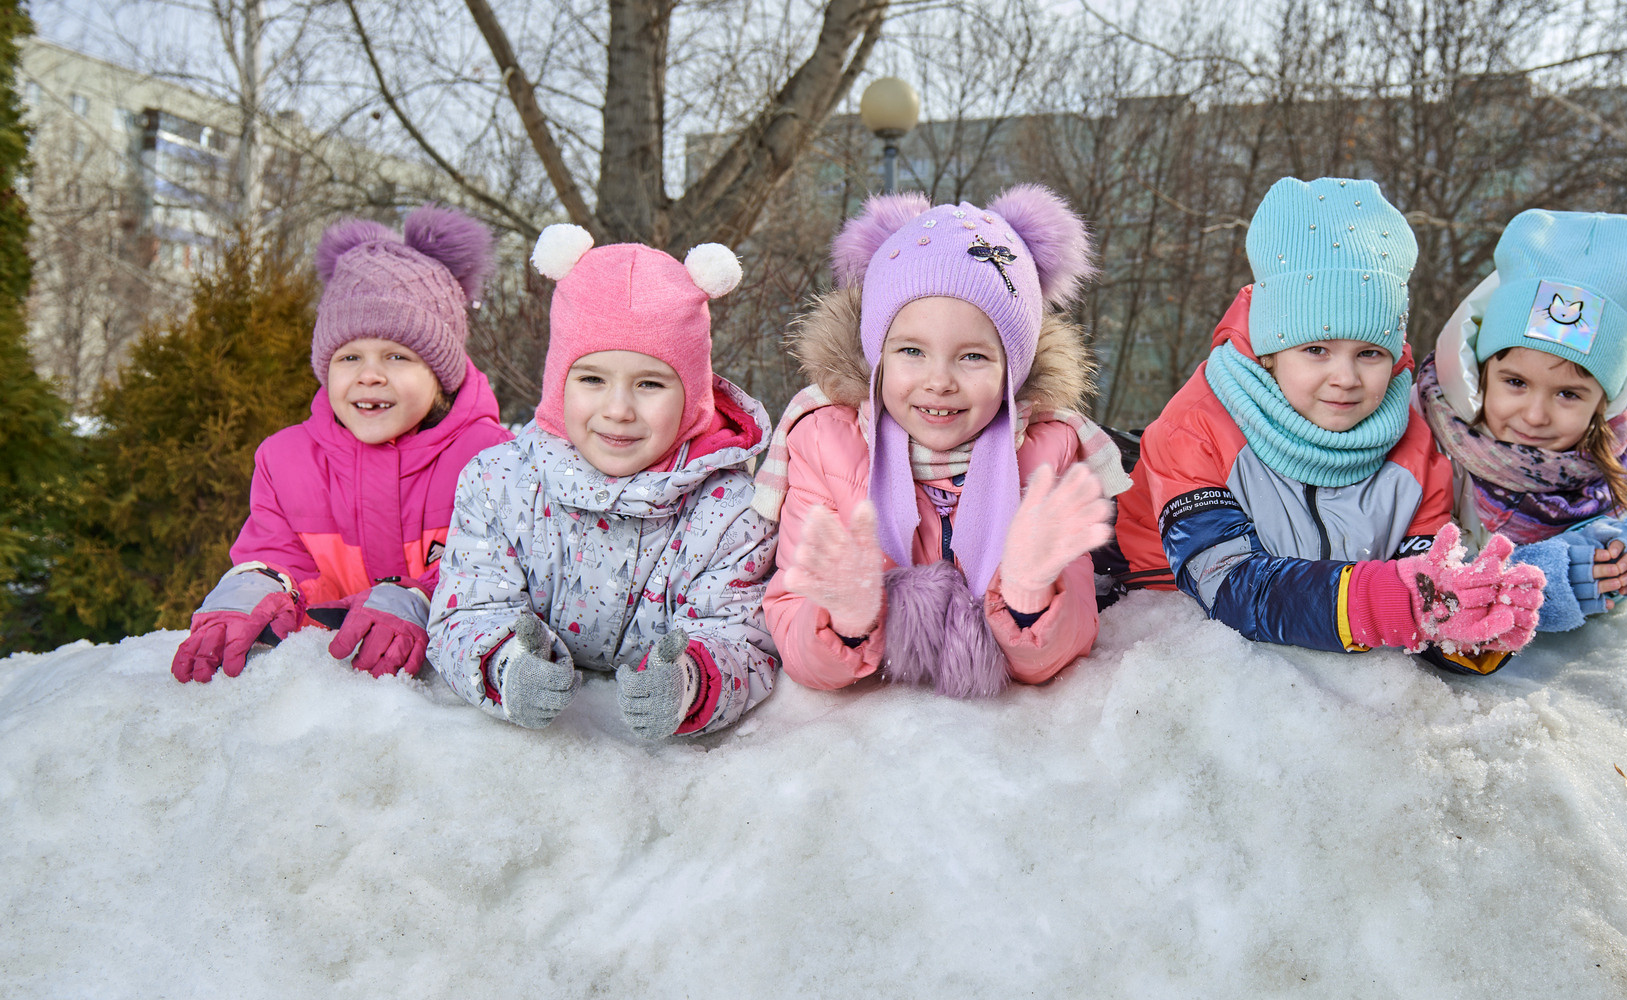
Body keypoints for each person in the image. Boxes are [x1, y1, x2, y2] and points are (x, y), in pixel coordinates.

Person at [1115, 177, 1545, 673]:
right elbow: (1227, 585)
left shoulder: (1415, 449)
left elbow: (1423, 587)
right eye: (1316, 350)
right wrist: (1388, 601)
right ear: (1272, 350)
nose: (1345, 379)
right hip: (1177, 638)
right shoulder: (1195, 430)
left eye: (1369, 354)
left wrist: (1468, 623)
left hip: (1327, 659)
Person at [756, 186, 1131, 698]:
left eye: (973, 357)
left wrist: (1029, 595)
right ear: (878, 355)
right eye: (912, 350)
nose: (940, 381)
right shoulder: (825, 443)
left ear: (1012, 371)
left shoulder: (1049, 449)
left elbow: (1070, 637)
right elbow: (792, 628)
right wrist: (842, 617)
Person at [426, 228, 777, 739]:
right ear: (557, 384)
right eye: (592, 379)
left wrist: (690, 682)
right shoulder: (498, 484)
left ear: (693, 394)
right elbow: (470, 608)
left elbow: (741, 636)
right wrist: (505, 667)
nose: (618, 409)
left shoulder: (731, 512)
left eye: (650, 383)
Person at [170, 207, 510, 684]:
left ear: (441, 375)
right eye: (349, 356)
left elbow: (500, 572)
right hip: (328, 691)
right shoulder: (284, 461)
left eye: (397, 355)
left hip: (443, 702)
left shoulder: (494, 462)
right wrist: (253, 588)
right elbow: (277, 554)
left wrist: (420, 597)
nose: (369, 374)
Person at [1417, 209, 1627, 633]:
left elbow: (1598, 552)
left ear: (1603, 405)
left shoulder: (1616, 458)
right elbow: (1413, 582)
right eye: (1515, 382)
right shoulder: (1426, 440)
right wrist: (1543, 583)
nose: (1535, 416)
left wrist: (1622, 557)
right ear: (1480, 375)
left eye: (1568, 394)